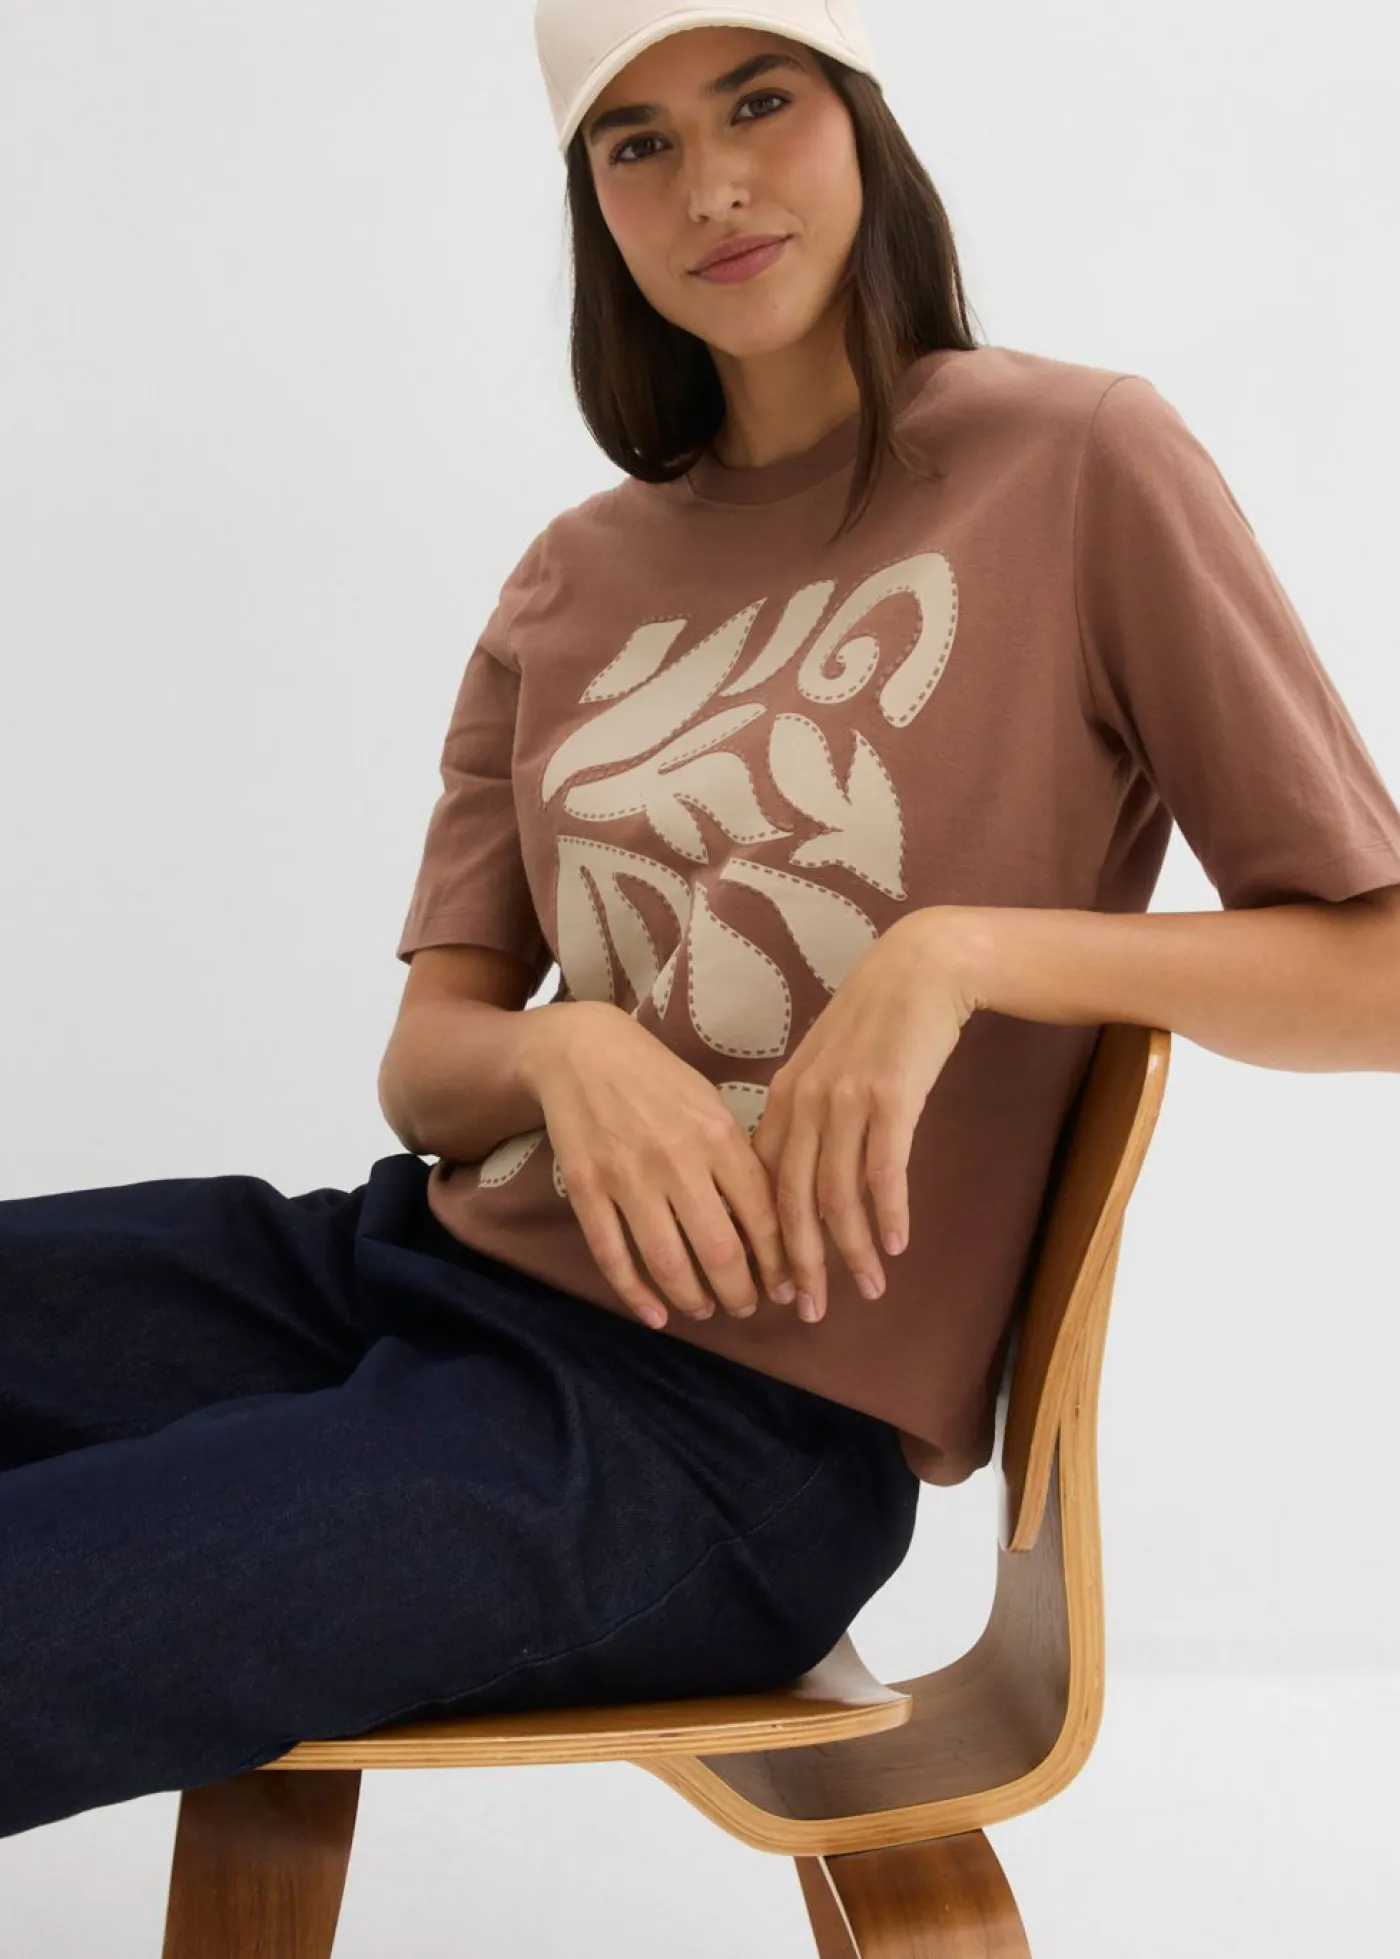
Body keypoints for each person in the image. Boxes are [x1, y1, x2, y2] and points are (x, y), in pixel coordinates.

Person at [3, 0, 1399, 1846]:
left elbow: (1374, 972)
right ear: (592, 199)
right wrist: (564, 1047)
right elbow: (428, 1065)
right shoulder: (573, 575)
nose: (711, 184)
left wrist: (960, 954)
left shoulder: (1078, 464)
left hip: (721, 1436)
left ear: (860, 121)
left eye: (760, 102)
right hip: (403, 1269)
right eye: (637, 142)